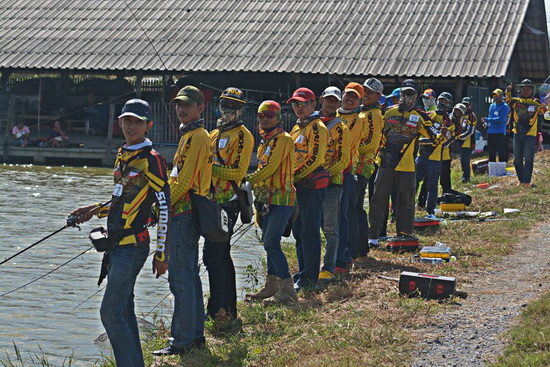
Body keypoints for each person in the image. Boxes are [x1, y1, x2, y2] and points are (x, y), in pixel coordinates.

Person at [71, 99, 170, 366]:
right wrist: (93, 210)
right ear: (120, 123)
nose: (131, 126)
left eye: (138, 121)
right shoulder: (123, 153)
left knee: (110, 314)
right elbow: (122, 200)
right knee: (123, 311)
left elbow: (164, 207)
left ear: (148, 125)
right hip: (116, 246)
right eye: (127, 120)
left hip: (133, 247)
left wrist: (162, 253)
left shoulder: (153, 160)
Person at [153, 86, 211, 356]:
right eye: (178, 104)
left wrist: (158, 208)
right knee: (189, 278)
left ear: (201, 108)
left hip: (183, 214)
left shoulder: (197, 136)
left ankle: (181, 341)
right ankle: (195, 336)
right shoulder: (189, 134)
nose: (181, 109)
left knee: (180, 280)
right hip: (183, 212)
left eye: (187, 105)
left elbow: (184, 182)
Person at [368, 79, 442, 246]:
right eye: (405, 93)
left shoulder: (421, 115)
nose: (407, 96)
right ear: (399, 93)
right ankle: (374, 235)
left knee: (406, 200)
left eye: (411, 93)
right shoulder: (388, 111)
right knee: (378, 198)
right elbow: (377, 133)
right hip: (385, 163)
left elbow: (435, 135)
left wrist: (440, 136)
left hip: (407, 165)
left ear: (415, 96)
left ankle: (404, 234)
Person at [206, 87, 254, 322]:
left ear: (241, 109)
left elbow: (238, 172)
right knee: (218, 255)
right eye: (225, 104)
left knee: (215, 255)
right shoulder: (213, 133)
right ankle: (223, 310)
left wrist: (208, 168)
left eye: (234, 105)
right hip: (210, 200)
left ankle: (221, 310)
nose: (229, 109)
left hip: (228, 202)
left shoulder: (243, 135)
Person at [245, 101, 298, 303]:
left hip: (282, 199)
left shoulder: (284, 139)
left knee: (271, 242)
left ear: (278, 118)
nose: (265, 119)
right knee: (269, 243)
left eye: (270, 115)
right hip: (264, 200)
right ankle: (271, 285)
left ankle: (287, 288)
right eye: (262, 116)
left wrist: (246, 180)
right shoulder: (264, 142)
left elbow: (271, 168)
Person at [289, 87, 329, 290]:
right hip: (296, 186)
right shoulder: (297, 127)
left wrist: (291, 176)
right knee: (298, 232)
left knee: (310, 232)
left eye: (303, 103)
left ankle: (310, 278)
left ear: (314, 104)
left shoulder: (318, 128)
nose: (299, 107)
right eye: (295, 103)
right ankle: (302, 273)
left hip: (310, 187)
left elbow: (315, 160)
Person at [316, 87, 350, 282]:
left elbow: (343, 160)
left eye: (334, 101)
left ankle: (329, 267)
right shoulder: (311, 123)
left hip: (332, 184)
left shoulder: (341, 128)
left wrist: (325, 175)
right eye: (328, 99)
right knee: (311, 227)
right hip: (310, 183)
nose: (330, 103)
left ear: (339, 104)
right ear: (321, 99)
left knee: (330, 229)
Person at [334, 82, 364, 274]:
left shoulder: (357, 120)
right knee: (330, 218)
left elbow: (342, 142)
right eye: (348, 95)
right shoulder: (334, 115)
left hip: (345, 171)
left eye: (355, 97)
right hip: (326, 171)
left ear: (359, 101)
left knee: (342, 216)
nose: (350, 99)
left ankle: (344, 257)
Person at [353, 77, 384, 257]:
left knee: (355, 206)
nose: (365, 95)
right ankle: (358, 245)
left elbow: (372, 144)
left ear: (378, 96)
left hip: (363, 164)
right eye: (364, 92)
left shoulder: (374, 115)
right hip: (356, 163)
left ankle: (360, 246)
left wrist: (350, 149)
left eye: (370, 93)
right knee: (355, 205)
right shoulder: (364, 112)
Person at [416, 92, 453, 218]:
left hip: (435, 157)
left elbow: (442, 140)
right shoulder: (429, 115)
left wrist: (424, 140)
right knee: (413, 183)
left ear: (449, 105)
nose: (443, 103)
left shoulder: (448, 121)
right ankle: (408, 208)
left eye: (446, 102)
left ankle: (430, 211)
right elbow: (421, 130)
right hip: (421, 155)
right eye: (441, 100)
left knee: (432, 186)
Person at [506, 79, 543, 187]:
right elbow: (507, 100)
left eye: (528, 89)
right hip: (517, 133)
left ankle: (527, 182)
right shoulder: (515, 101)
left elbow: (545, 111)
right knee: (517, 159)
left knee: (528, 159)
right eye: (523, 89)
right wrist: (508, 91)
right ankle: (521, 180)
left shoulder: (537, 102)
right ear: (520, 90)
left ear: (531, 90)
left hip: (530, 134)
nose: (526, 91)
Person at [481, 89, 509, 163]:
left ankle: (502, 169)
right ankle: (492, 169)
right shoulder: (492, 106)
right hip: (491, 131)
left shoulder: (505, 106)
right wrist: (486, 124)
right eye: (494, 95)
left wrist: (488, 120)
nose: (495, 97)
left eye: (497, 95)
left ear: (501, 96)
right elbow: (490, 116)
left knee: (501, 152)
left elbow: (501, 119)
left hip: (500, 132)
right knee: (491, 152)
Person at [458, 97, 478, 183]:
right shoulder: (460, 114)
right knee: (462, 160)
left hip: (468, 141)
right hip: (461, 141)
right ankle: (464, 176)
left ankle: (466, 178)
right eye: (464, 105)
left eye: (467, 105)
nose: (465, 107)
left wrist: (459, 137)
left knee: (465, 160)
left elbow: (470, 131)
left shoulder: (471, 116)